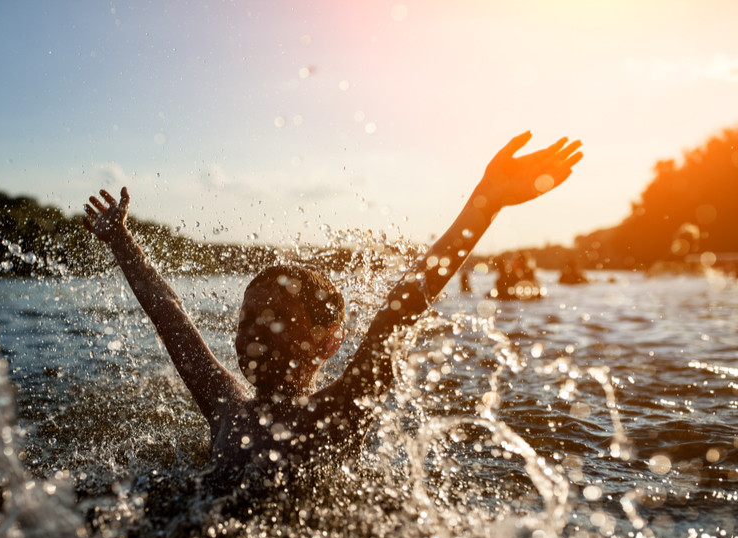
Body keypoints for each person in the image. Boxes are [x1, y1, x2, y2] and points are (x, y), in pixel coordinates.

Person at [82, 132, 582, 489]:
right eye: (247, 318)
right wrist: (122, 241)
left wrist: (485, 203)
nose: (252, 332)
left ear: (329, 340)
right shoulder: (224, 404)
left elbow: (400, 310)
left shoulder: (339, 411)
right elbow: (170, 317)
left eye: (275, 318)